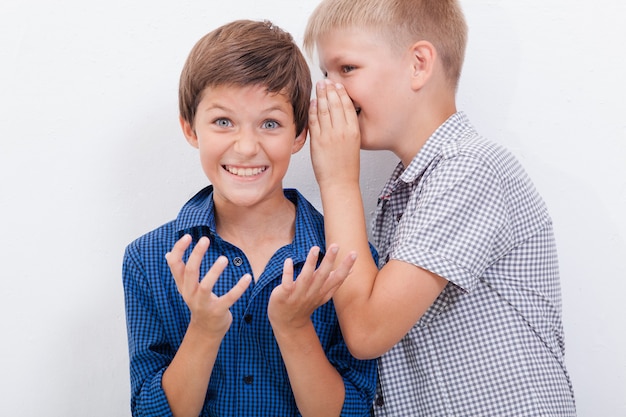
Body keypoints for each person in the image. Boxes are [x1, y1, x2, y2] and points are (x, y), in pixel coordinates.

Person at [302, 0, 577, 415]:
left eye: (347, 69)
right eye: (326, 73)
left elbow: (366, 330)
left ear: (418, 64)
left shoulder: (470, 169)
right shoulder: (407, 191)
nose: (330, 90)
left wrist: (338, 180)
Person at [122, 19, 377, 417]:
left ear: (298, 136)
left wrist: (294, 327)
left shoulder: (343, 260)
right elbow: (150, 412)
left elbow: (355, 412)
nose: (245, 147)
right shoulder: (148, 259)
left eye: (270, 123)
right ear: (190, 128)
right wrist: (204, 328)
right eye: (223, 121)